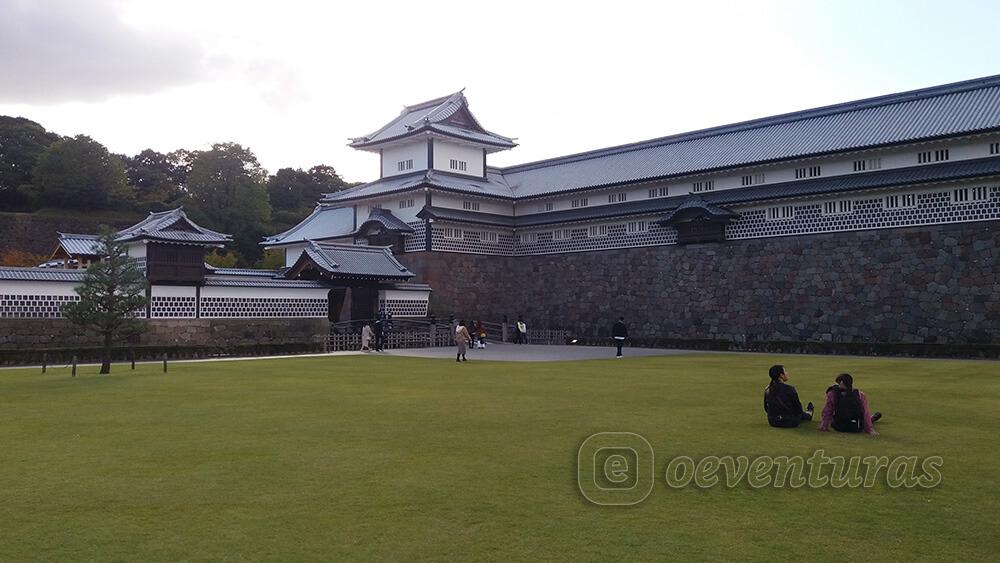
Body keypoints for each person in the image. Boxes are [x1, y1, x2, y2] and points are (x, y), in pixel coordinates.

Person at [819, 373, 883, 437]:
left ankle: (873, 418)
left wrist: (823, 426)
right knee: (863, 420)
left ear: (841, 382)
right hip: (856, 427)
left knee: (833, 418)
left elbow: (827, 411)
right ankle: (873, 418)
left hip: (839, 426)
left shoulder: (832, 393)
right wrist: (870, 430)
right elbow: (865, 413)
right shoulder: (860, 394)